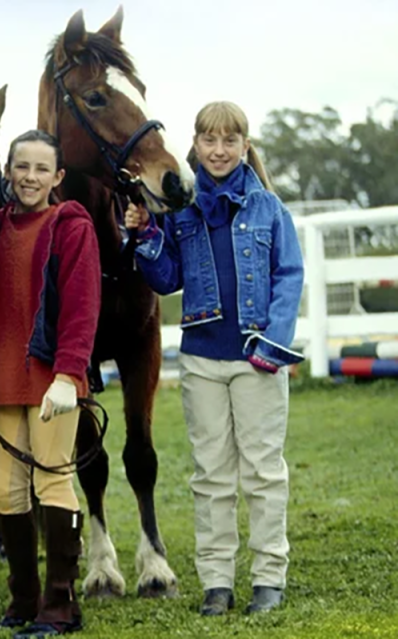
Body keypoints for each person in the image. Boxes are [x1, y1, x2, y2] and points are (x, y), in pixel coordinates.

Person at [125, 101, 304, 616]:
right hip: (202, 362)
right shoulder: (179, 210)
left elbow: (289, 275)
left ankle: (269, 577)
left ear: (244, 146)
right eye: (209, 140)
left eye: (230, 141)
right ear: (196, 147)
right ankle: (217, 583)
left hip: (256, 360)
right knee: (211, 474)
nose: (219, 150)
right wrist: (146, 237)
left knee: (264, 471)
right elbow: (167, 280)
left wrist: (274, 342)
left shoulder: (269, 208)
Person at [0, 130, 101, 638]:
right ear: (9, 171)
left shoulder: (70, 225)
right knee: (7, 493)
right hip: (2, 373)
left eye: (40, 169)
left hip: (52, 376)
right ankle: (22, 600)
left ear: (57, 177)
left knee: (53, 479)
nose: (29, 178)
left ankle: (60, 605)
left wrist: (70, 374)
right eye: (21, 167)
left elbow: (82, 306)